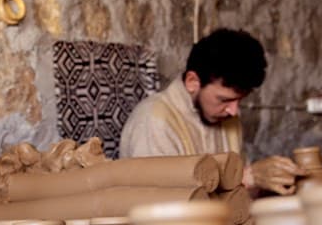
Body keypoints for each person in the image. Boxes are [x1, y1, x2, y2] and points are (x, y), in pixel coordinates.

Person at [119, 28, 305, 195]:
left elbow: (239, 199)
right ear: (193, 82)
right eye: (224, 100)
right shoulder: (155, 120)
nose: (233, 111)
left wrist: (277, 181)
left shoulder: (228, 120)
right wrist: (247, 177)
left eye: (239, 100)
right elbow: (161, 206)